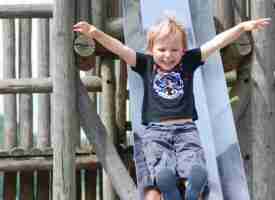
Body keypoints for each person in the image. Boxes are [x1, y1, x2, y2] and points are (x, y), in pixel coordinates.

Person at [73, 16, 270, 200]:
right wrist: (95, 32)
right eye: (162, 50)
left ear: (183, 50)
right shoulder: (145, 63)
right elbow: (119, 48)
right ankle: (169, 188)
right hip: (156, 132)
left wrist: (242, 28)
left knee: (193, 162)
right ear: (151, 49)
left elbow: (216, 43)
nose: (168, 55)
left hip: (186, 129)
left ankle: (192, 185)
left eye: (174, 50)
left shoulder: (188, 62)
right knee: (161, 166)